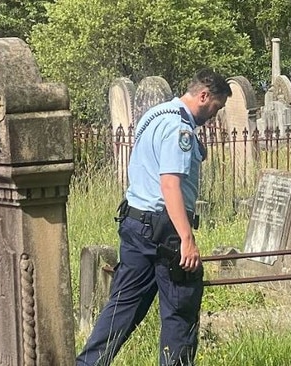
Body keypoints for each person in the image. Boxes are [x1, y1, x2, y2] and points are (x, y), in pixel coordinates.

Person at [76, 69, 232, 366]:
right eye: (216, 107)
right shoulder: (179, 128)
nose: (215, 115)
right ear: (204, 96)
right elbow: (170, 184)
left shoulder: (157, 114)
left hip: (135, 222)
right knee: (180, 311)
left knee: (122, 308)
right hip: (165, 229)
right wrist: (186, 239)